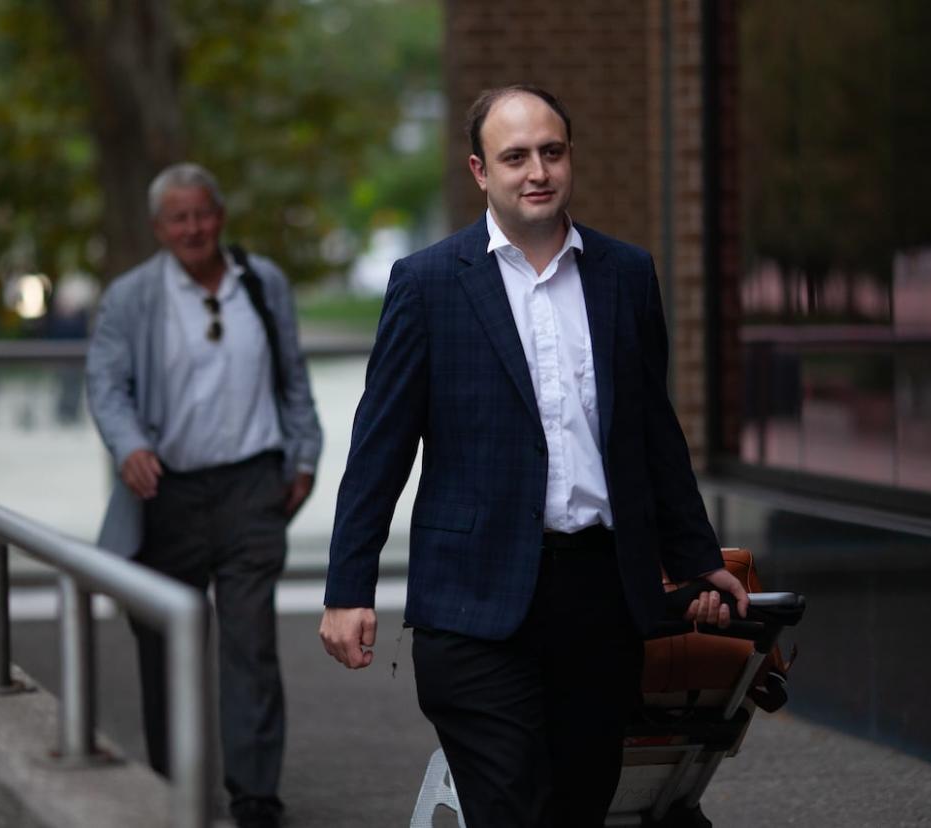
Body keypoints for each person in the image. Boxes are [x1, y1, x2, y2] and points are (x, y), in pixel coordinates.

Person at [319, 85, 748, 827]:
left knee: (580, 805)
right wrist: (348, 586)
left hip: (598, 596)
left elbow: (652, 431)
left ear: (570, 158)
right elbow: (378, 446)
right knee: (511, 806)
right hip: (473, 604)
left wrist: (696, 552)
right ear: (481, 171)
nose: (537, 171)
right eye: (515, 157)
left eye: (551, 151)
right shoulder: (426, 284)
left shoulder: (625, 275)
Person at [87, 162, 322, 828]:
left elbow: (292, 377)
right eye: (178, 218)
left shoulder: (262, 281)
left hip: (254, 486)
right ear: (159, 228)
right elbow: (106, 386)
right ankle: (175, 787)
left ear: (220, 216)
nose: (193, 228)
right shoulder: (131, 298)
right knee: (167, 644)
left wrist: (303, 453)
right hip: (166, 491)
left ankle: (254, 796)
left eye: (203, 213)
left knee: (251, 646)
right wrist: (128, 443)